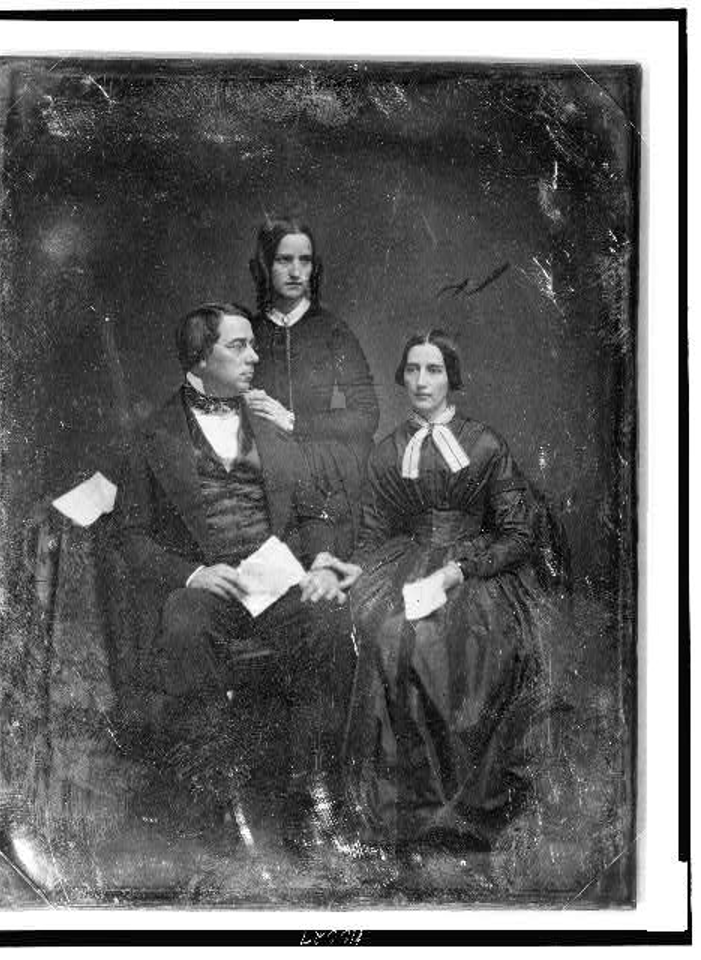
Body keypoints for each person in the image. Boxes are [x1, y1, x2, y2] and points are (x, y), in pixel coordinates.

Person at [114, 302, 354, 852]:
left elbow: (316, 510)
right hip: (211, 586)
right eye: (238, 346)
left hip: (277, 577)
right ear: (200, 358)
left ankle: (312, 792)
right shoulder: (151, 436)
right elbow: (129, 538)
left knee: (330, 620)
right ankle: (214, 797)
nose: (254, 356)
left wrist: (319, 562)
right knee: (182, 624)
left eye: (254, 344)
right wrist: (193, 572)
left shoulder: (269, 422)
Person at [334, 330, 558, 857]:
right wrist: (357, 574)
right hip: (408, 565)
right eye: (412, 370)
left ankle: (466, 807)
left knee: (469, 642)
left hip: (478, 574)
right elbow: (369, 538)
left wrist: (461, 568)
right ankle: (411, 812)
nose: (421, 381)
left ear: (450, 377)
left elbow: (518, 534)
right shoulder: (388, 452)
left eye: (433, 370)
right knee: (393, 637)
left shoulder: (484, 444)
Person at [245, 216, 379, 557]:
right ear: (265, 265)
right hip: (260, 467)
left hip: (323, 468)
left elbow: (367, 415)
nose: (295, 272)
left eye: (304, 261)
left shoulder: (332, 330)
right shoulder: (247, 332)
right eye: (283, 260)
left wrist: (293, 422)